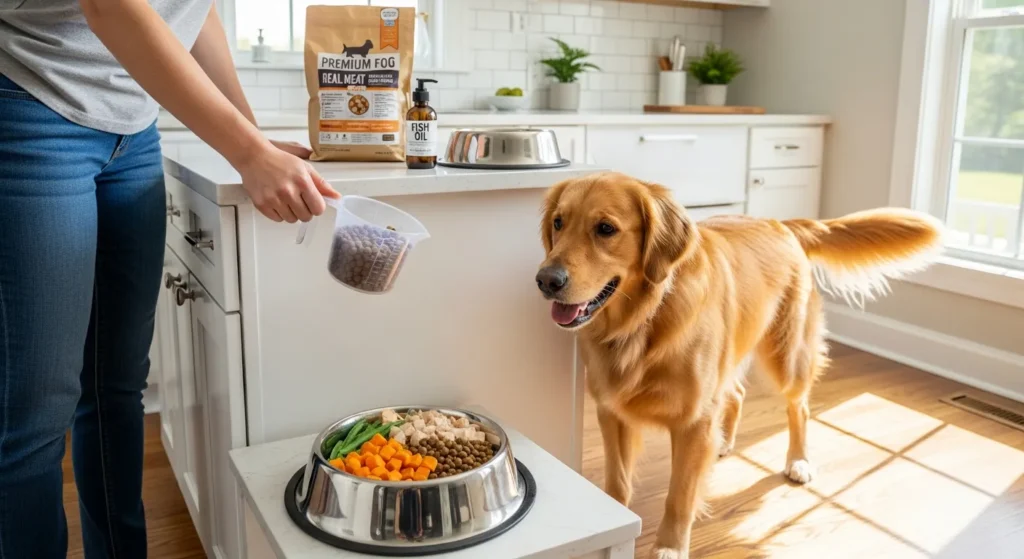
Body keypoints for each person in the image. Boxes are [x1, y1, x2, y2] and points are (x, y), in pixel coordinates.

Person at [0, 0, 339, 556]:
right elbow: (110, 6)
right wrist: (247, 151)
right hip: (31, 106)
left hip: (133, 130)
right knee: (36, 412)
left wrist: (252, 140)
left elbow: (194, 10)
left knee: (116, 386)